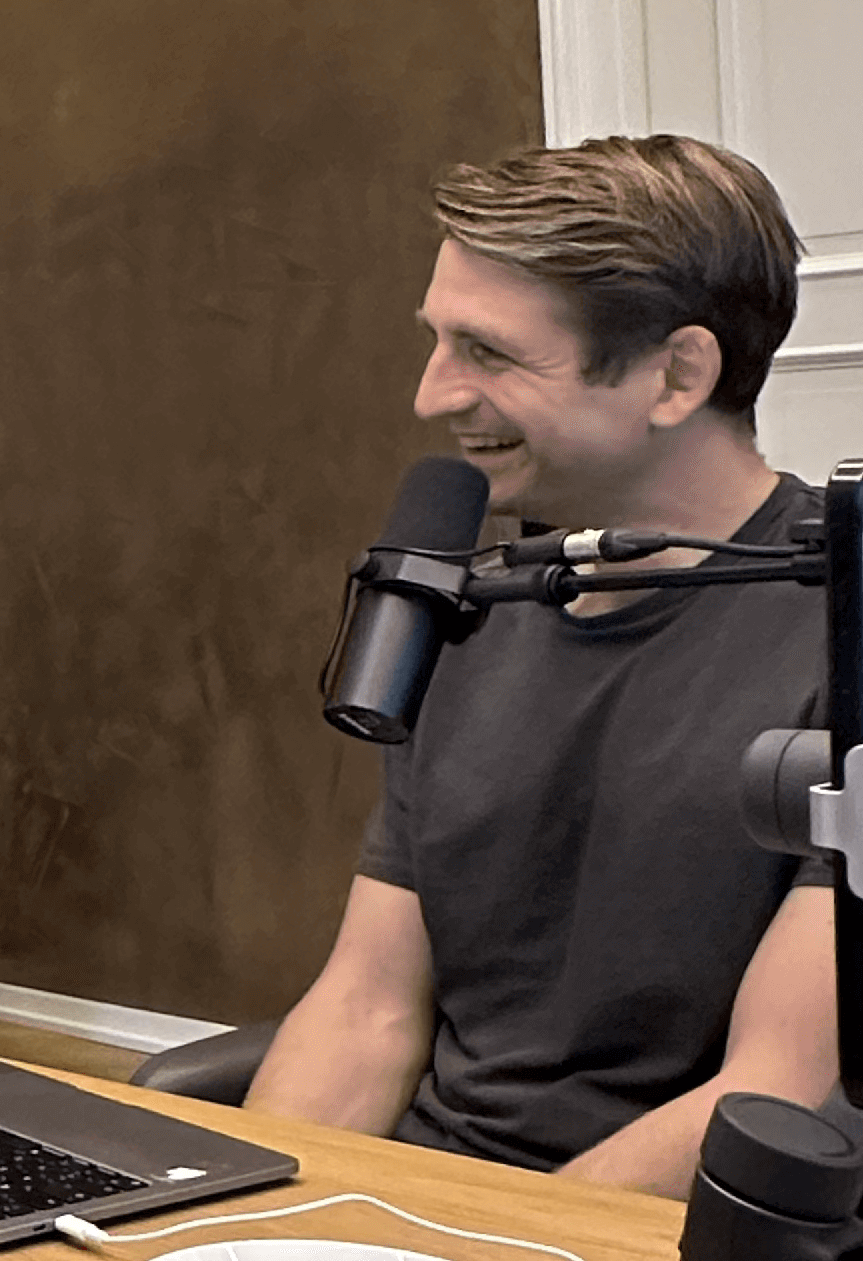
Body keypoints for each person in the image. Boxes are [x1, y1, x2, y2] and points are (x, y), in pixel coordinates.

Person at [249, 134, 835, 1195]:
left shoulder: (837, 634)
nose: (433, 396)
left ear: (678, 374)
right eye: (436, 342)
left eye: (488, 353)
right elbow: (369, 1006)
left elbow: (776, 1089)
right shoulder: (469, 609)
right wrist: (239, 1235)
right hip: (431, 1231)